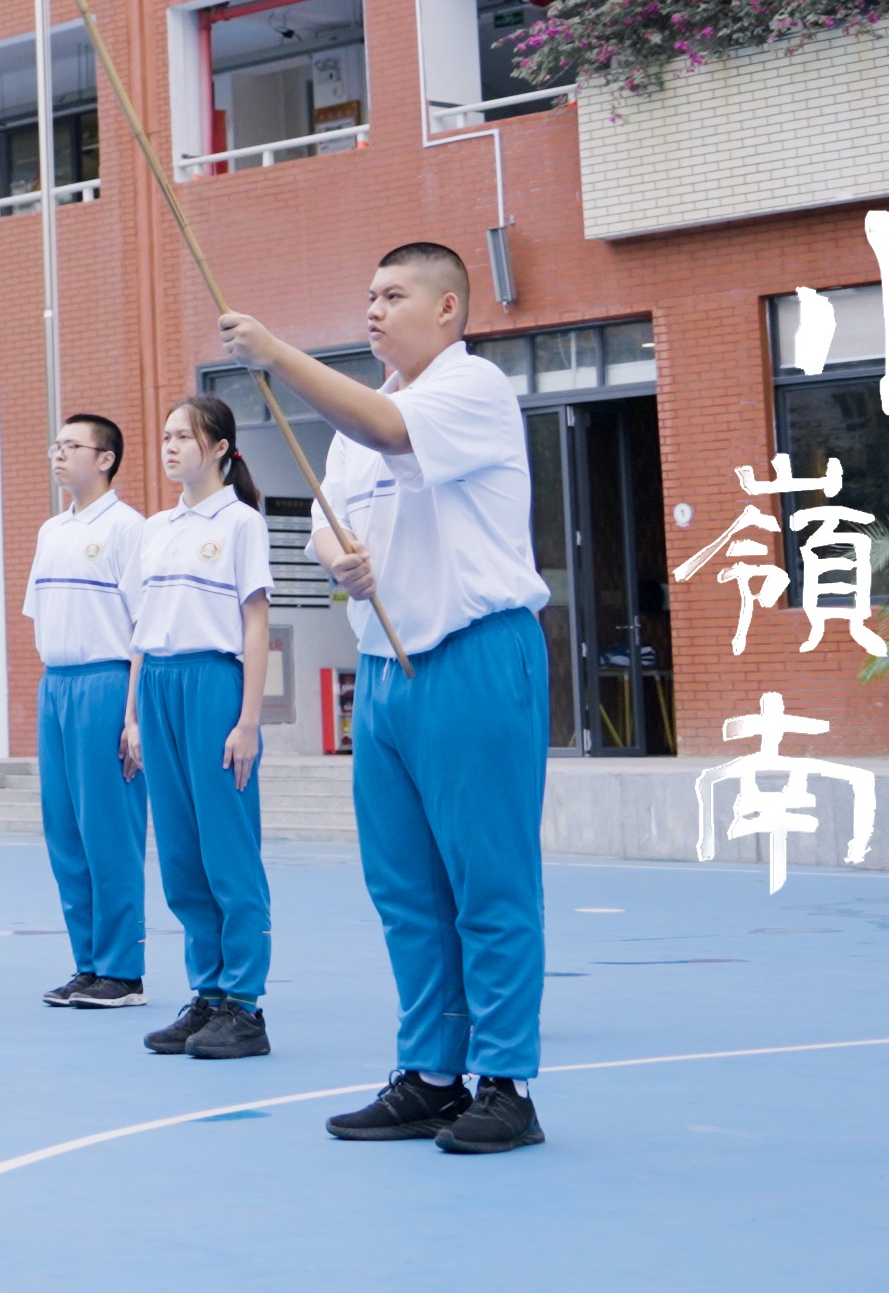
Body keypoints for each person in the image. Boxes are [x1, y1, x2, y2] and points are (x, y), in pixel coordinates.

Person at [221, 241, 550, 1156]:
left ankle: (507, 1081)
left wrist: (276, 354)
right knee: (405, 887)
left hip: (474, 655)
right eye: (366, 294)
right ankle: (431, 1072)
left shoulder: (471, 387)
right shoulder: (360, 419)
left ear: (447, 309)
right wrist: (339, 560)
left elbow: (389, 434)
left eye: (392, 294)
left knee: (489, 881)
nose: (372, 309)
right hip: (386, 672)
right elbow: (335, 520)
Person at [126, 397, 275, 1062]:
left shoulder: (241, 524)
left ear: (219, 447)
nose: (171, 446)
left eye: (184, 436)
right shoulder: (156, 528)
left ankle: (244, 1005)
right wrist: (131, 714)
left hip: (213, 684)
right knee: (182, 854)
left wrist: (248, 720)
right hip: (158, 684)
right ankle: (208, 992)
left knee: (227, 849)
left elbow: (256, 624)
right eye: (165, 436)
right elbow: (140, 632)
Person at [22, 416, 150, 1011]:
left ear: (105, 459)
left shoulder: (129, 529)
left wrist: (133, 714)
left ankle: (122, 970)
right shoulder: (51, 531)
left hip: (106, 683)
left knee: (109, 830)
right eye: (56, 444)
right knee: (65, 831)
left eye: (72, 446)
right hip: (58, 685)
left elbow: (144, 631)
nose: (58, 454)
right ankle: (88, 962)